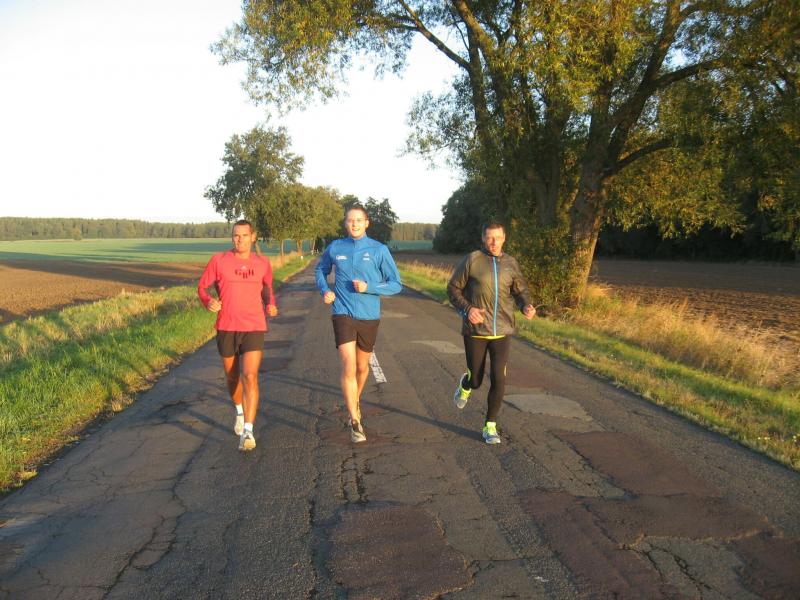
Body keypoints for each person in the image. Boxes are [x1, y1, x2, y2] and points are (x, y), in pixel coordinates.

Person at [315, 204, 402, 443]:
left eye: (358, 220)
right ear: (345, 223)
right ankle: (355, 421)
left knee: (363, 368)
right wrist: (325, 290)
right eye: (350, 220)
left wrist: (369, 287)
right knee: (348, 365)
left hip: (368, 316)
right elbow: (320, 270)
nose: (354, 224)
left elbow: (396, 284)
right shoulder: (336, 247)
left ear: (366, 223)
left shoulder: (379, 249)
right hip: (342, 312)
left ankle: (355, 401)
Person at [447, 221, 536, 444]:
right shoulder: (472, 260)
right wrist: (468, 309)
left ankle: (490, 426)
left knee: (499, 378)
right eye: (489, 237)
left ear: (504, 238)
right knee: (476, 380)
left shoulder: (510, 263)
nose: (493, 242)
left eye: (497, 237)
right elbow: (453, 289)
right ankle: (466, 384)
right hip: (476, 330)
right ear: (483, 238)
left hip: (502, 331)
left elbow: (520, 290)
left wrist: (526, 305)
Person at [198, 220, 278, 451]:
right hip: (227, 326)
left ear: (253, 237)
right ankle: (240, 412)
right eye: (236, 235)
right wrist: (208, 301)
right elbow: (202, 288)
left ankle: (248, 431)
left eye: (244, 235)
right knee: (232, 377)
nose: (240, 239)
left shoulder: (262, 263)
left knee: (250, 375)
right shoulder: (219, 261)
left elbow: (267, 288)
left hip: (254, 325)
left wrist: (270, 304)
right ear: (232, 237)